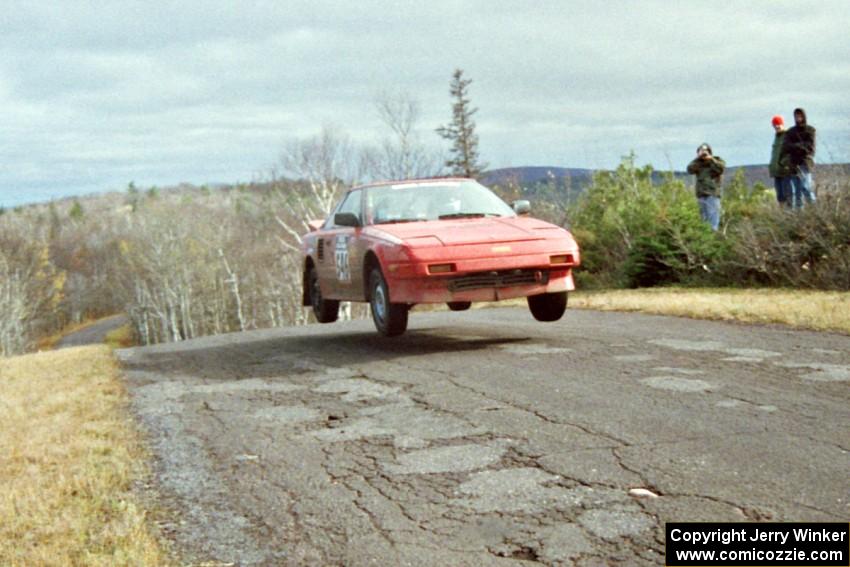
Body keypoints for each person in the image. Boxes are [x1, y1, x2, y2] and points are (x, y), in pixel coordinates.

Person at [782, 107, 816, 208]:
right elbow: (786, 147)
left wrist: (795, 146)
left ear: (804, 116)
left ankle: (814, 210)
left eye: (800, 116)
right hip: (793, 164)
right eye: (796, 116)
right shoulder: (790, 132)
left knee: (806, 187)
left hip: (805, 163)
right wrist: (800, 146)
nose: (798, 118)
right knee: (797, 192)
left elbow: (810, 148)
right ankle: (799, 216)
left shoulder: (810, 130)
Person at [687, 143, 726, 231]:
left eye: (706, 151)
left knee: (713, 220)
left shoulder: (717, 160)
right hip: (701, 194)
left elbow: (721, 169)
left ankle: (713, 240)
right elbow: (690, 170)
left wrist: (711, 159)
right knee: (703, 219)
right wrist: (698, 158)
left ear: (710, 152)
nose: (704, 153)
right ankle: (705, 240)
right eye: (701, 151)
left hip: (712, 194)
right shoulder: (698, 163)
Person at [768, 115, 792, 206]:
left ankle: (790, 216)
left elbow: (790, 152)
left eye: (778, 124)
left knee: (788, 196)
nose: (777, 126)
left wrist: (784, 164)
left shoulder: (788, 136)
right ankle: (782, 217)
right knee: (780, 197)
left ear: (782, 124)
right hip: (776, 172)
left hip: (785, 171)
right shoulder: (776, 137)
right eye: (774, 125)